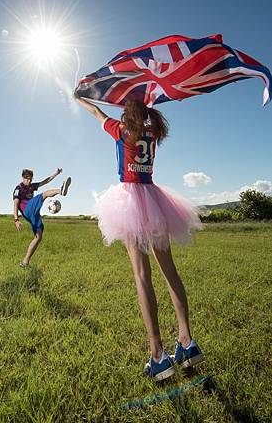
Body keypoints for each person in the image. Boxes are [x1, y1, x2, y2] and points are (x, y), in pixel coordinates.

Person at [74, 96, 204, 381]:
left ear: (126, 115)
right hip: (155, 200)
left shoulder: (121, 131)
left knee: (142, 276)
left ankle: (158, 356)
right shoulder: (152, 131)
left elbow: (96, 112)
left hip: (131, 202)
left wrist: (77, 97)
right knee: (170, 271)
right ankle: (186, 342)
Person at [13, 168, 71, 268]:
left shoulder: (32, 186)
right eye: (27, 179)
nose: (29, 181)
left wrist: (56, 173)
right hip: (27, 209)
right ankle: (61, 191)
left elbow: (46, 181)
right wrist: (16, 219)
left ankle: (25, 262)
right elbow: (15, 204)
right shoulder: (19, 188)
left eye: (31, 179)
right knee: (44, 194)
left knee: (38, 236)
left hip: (33, 213)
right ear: (23, 177)